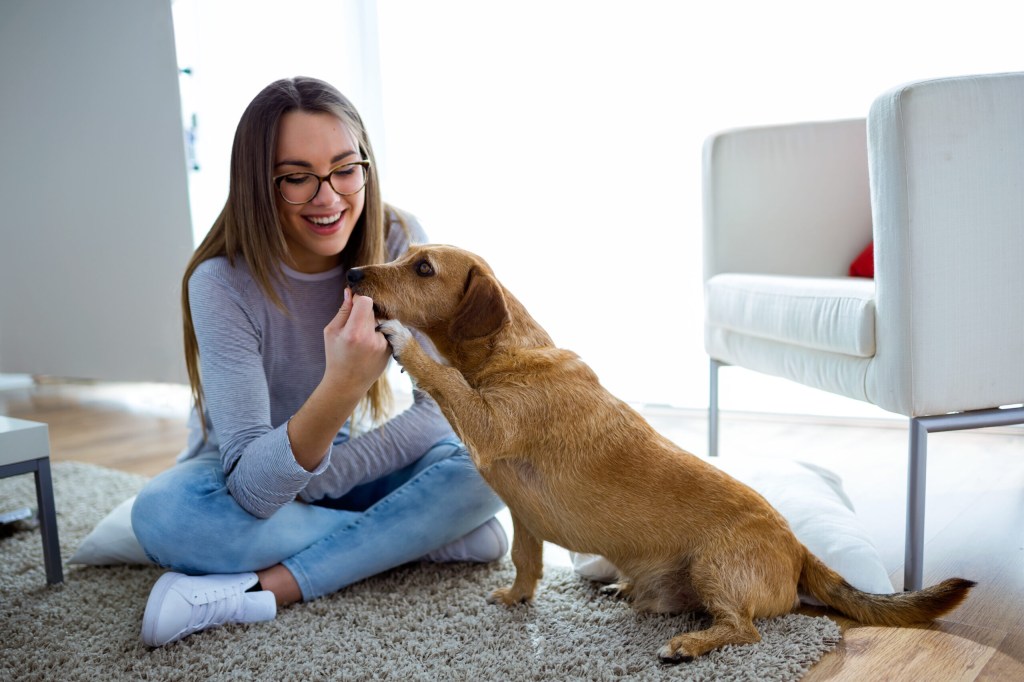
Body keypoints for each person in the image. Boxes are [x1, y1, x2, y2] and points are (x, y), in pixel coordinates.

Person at [131, 76, 507, 648]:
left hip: (333, 472)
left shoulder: (400, 241)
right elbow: (254, 489)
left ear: (365, 165)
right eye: (296, 178)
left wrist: (317, 480)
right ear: (259, 184)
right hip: (238, 485)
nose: (328, 197)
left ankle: (266, 588)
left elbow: (443, 409)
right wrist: (342, 384)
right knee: (166, 516)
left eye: (343, 169)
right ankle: (423, 537)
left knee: (491, 459)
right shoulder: (220, 282)